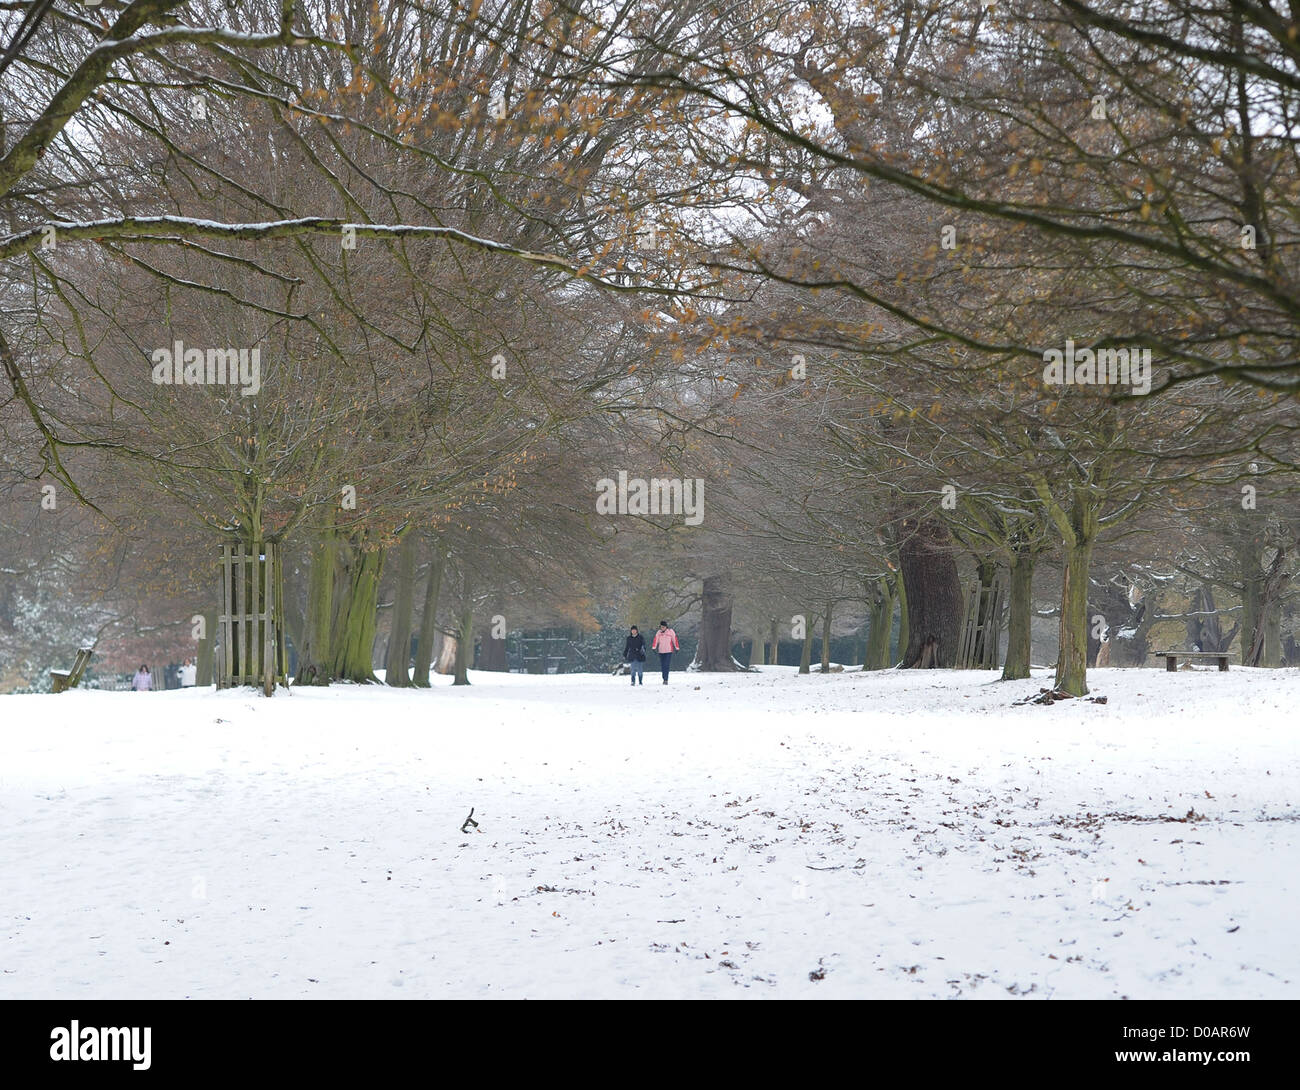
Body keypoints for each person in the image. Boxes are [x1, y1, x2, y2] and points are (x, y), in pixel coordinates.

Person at [652, 620, 679, 684]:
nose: (662, 628)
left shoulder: (670, 632)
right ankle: (664, 678)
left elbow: (675, 639)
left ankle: (666, 679)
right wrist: (654, 648)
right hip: (661, 651)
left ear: (666, 627)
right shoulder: (658, 633)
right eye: (661, 627)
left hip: (669, 651)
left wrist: (677, 648)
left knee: (666, 665)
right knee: (663, 665)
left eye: (664, 627)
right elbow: (655, 640)